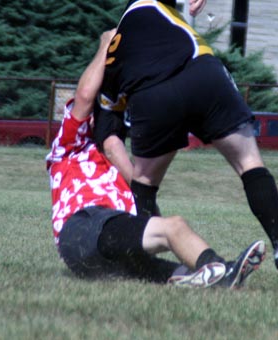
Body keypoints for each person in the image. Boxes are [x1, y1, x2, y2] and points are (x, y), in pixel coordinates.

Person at [95, 0, 278, 286]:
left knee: (144, 183)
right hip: (201, 73)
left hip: (152, 97)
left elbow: (111, 142)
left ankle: (147, 260)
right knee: (249, 162)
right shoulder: (140, 3)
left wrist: (136, 181)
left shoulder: (107, 73)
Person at [46, 29, 265, 288]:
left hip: (105, 250)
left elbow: (145, 210)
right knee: (173, 227)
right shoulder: (70, 147)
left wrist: (118, 149)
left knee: (169, 270)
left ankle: (223, 276)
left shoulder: (120, 167)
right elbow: (84, 96)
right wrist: (105, 46)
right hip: (83, 228)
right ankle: (221, 269)